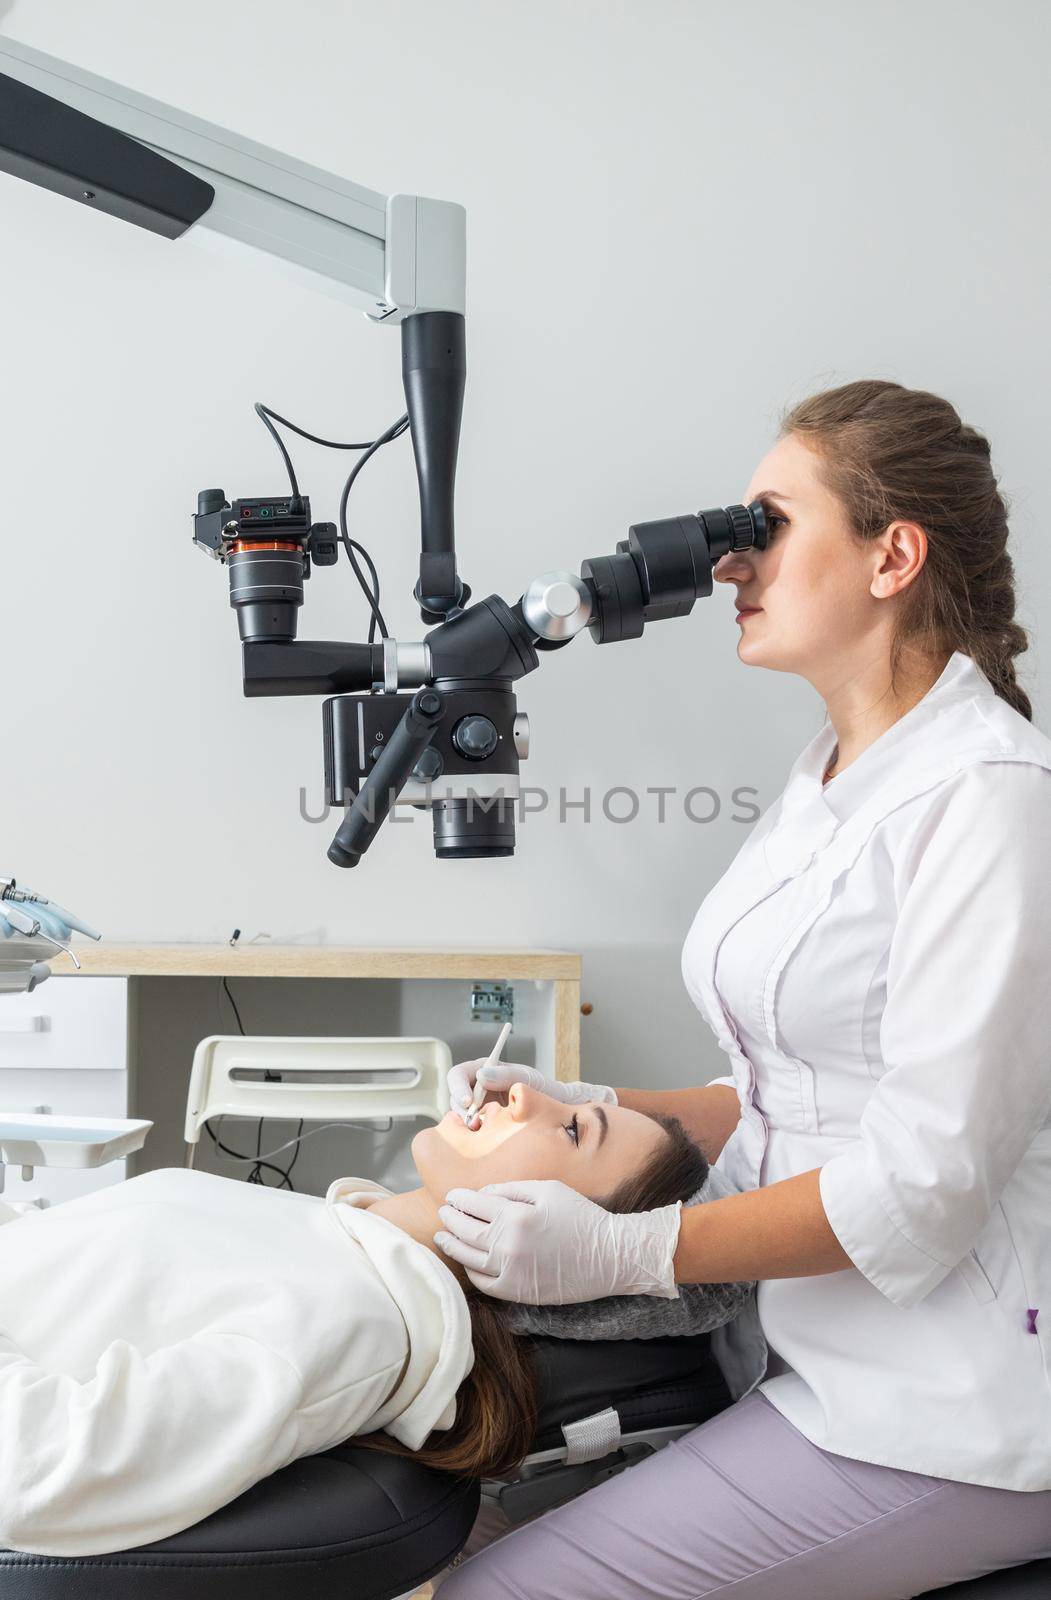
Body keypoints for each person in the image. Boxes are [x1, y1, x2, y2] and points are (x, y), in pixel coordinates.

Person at [436, 381, 1051, 1598]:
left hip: (945, 1409)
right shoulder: (832, 770)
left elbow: (918, 1184)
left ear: (893, 556)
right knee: (462, 1524)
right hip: (805, 1356)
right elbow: (787, 1084)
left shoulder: (990, 798)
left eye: (767, 523)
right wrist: (586, 1099)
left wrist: (628, 1249)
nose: (729, 564)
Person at [0, 1085, 706, 1558]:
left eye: (574, 1127)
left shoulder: (348, 1320)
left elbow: (33, 1470)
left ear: (560, 1240)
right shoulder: (327, 1235)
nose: (522, 1091)